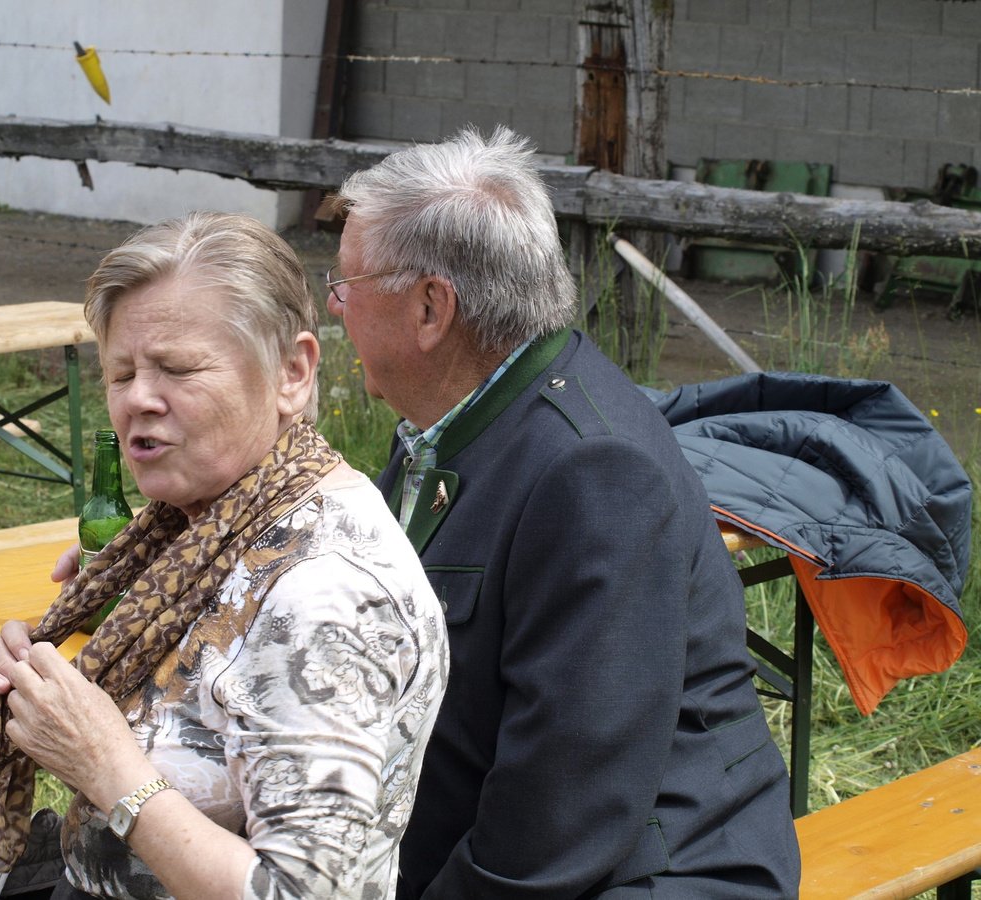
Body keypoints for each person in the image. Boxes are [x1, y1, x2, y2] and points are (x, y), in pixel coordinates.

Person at [324, 126, 801, 897]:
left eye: (345, 284)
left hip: (652, 877)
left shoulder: (595, 474)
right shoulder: (454, 418)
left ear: (430, 308)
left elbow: (559, 818)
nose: (335, 306)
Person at [0, 212, 448, 900]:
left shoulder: (324, 596)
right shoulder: (213, 527)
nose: (138, 400)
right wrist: (37, 686)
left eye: (178, 369)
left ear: (293, 372)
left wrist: (105, 765)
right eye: (120, 373)